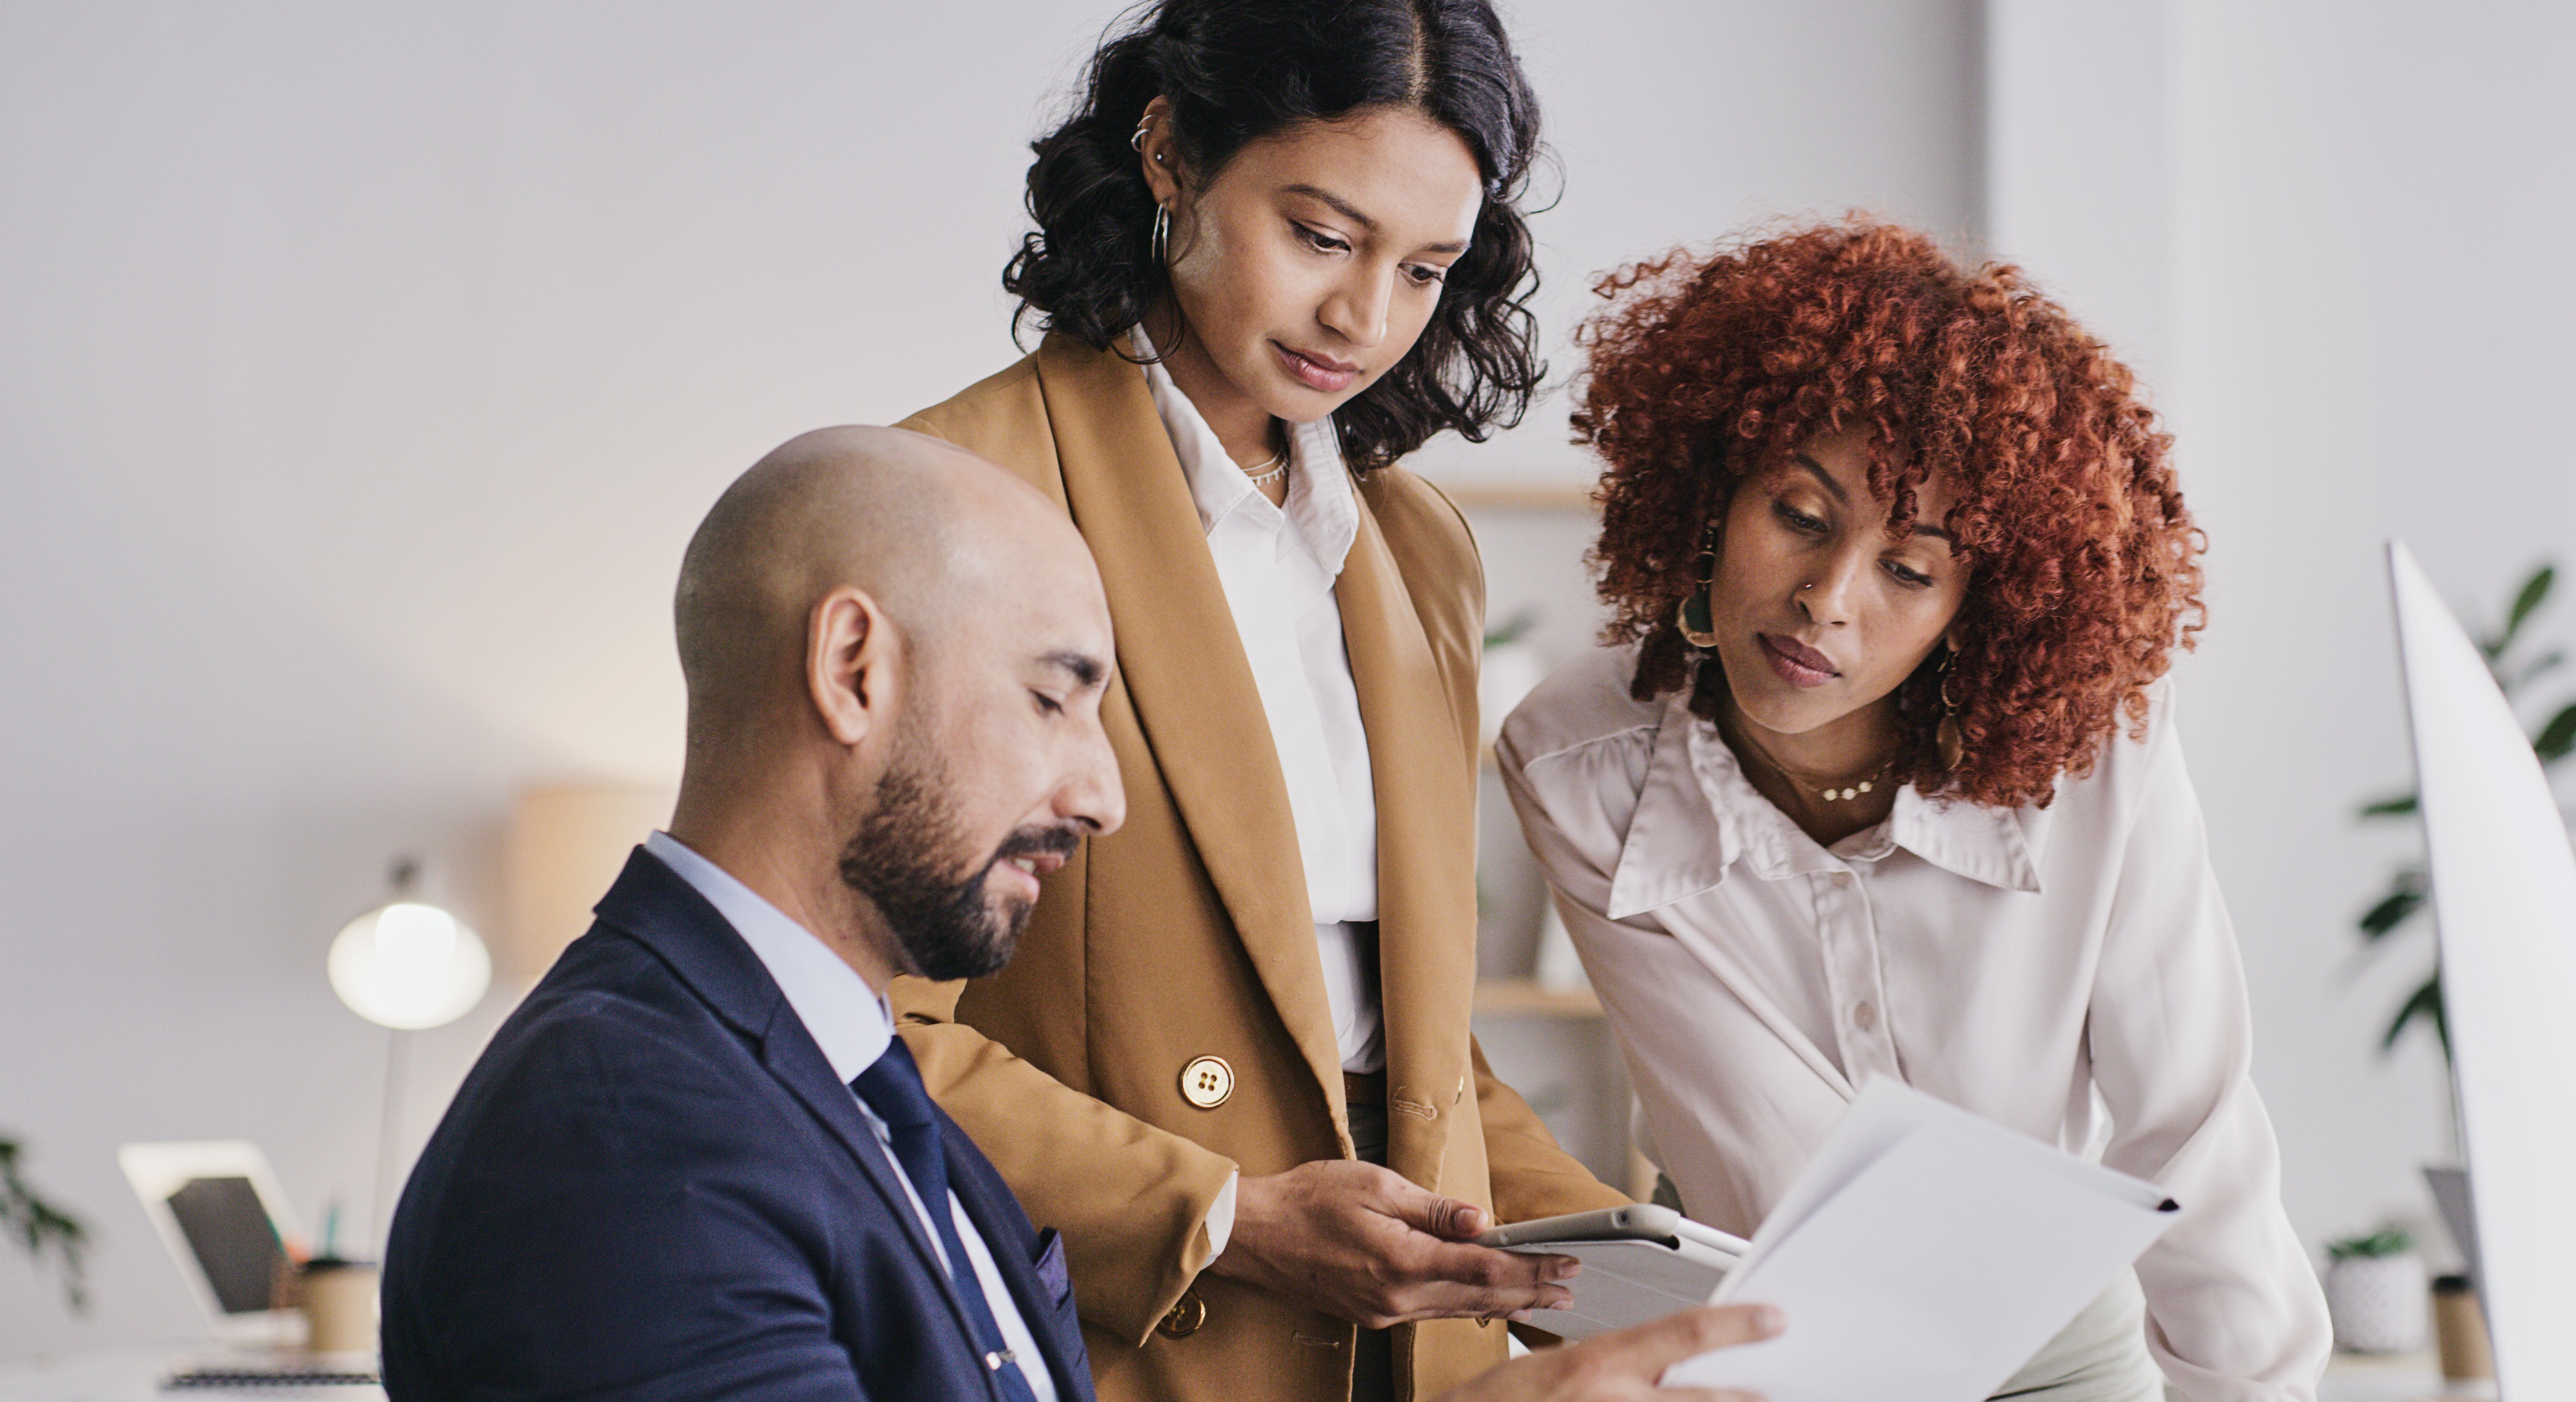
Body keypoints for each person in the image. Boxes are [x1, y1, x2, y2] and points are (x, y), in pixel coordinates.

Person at [378, 426, 1782, 1402]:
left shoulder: (856, 1089)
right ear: (854, 667)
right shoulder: (628, 1136)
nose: (1104, 795)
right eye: (1056, 696)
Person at [885, 4, 1626, 1401]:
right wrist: (1222, 1215)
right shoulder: (954, 499)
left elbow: (1403, 1042)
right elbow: (852, 1026)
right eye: (1322, 236)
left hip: (1416, 1354)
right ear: (1168, 151)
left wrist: (1626, 1261)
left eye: (1424, 269)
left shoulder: (1417, 550)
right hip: (1134, 1336)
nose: (1365, 319)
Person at [1494, 224, 2334, 1401]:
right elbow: (1763, 1158)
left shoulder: (2094, 748)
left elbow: (2188, 1128)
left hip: (2064, 1331)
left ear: (1977, 611)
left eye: (1908, 569)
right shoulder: (1577, 762)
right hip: (1770, 1324)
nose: (1823, 602)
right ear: (1710, 491)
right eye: (1798, 514)